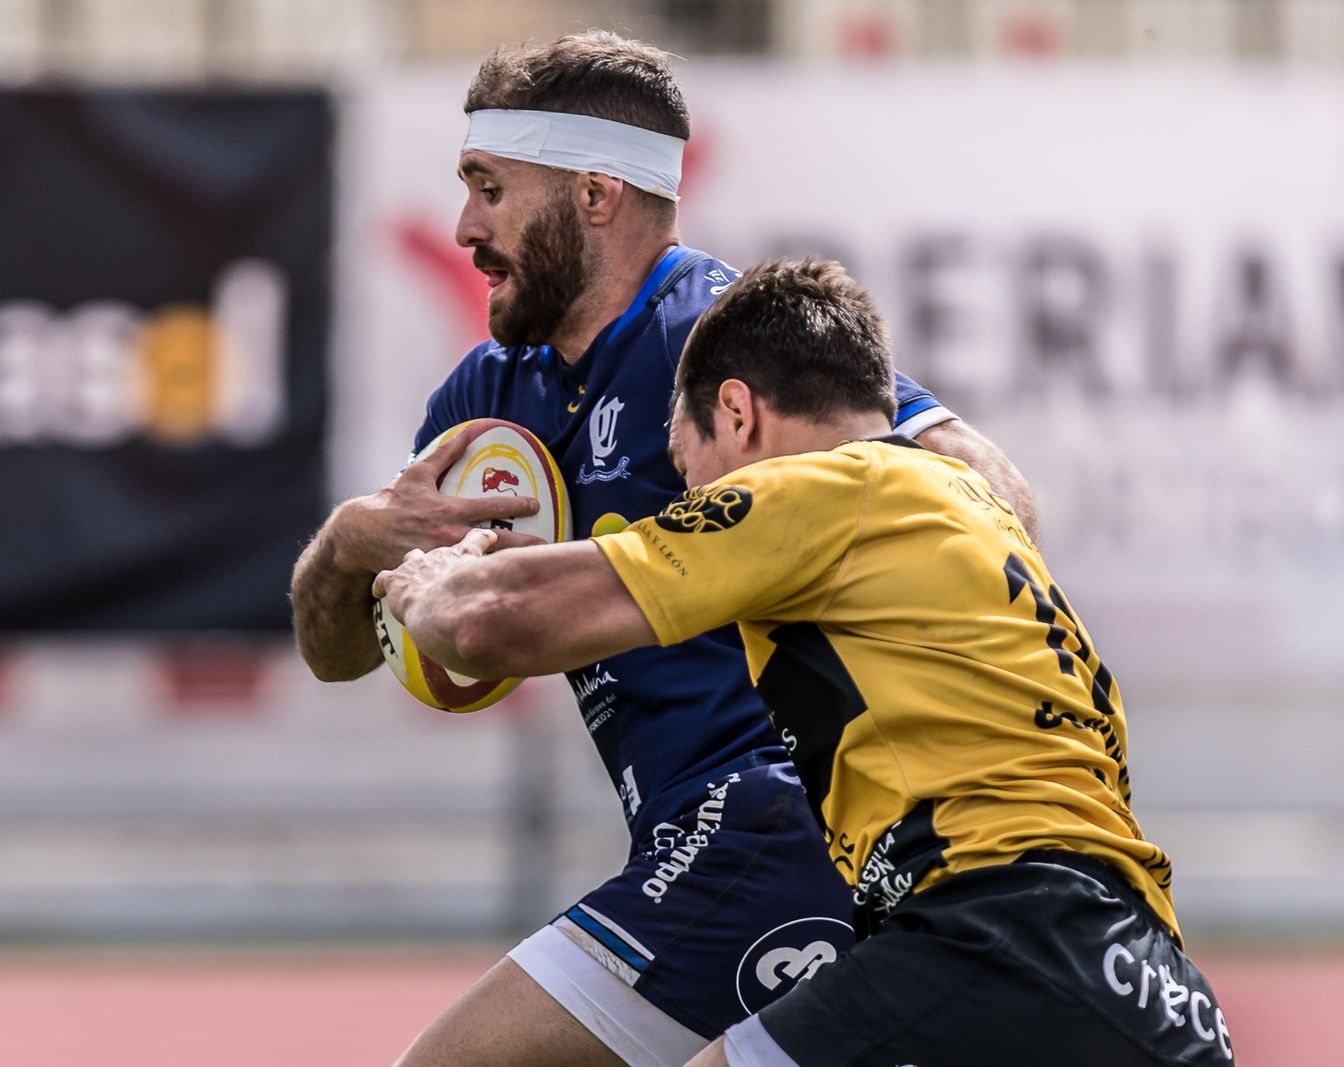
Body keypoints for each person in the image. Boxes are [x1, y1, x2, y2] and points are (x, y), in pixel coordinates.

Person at [290, 32, 1039, 1067]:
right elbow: (338, 650)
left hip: (779, 817)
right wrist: (358, 538)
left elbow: (992, 494)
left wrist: (770, 529)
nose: (464, 226)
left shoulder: (721, 342)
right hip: (696, 838)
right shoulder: (483, 402)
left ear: (595, 195)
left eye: (490, 188)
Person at [374, 256, 1234, 1067]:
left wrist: (429, 580)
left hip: (993, 931)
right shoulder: (975, 513)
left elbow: (491, 621)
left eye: (689, 466)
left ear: (740, 415)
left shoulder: (816, 491)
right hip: (1157, 983)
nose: (696, 495)